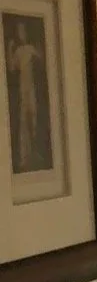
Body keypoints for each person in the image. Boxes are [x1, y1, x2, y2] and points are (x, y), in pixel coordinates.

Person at [6, 21, 43, 172]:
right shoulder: (19, 51)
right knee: (23, 120)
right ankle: (24, 155)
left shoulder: (30, 48)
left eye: (23, 31)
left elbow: (40, 59)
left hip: (32, 88)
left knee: (33, 117)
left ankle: (36, 150)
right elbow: (11, 68)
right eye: (19, 31)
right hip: (22, 89)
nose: (22, 34)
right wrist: (9, 49)